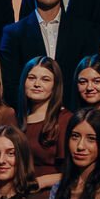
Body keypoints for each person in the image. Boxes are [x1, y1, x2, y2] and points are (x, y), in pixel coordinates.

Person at [0, 0, 93, 93]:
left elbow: (89, 76)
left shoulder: (84, 31)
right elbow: (10, 83)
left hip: (73, 111)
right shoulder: (13, 33)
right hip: (29, 111)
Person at [17, 57, 70, 188]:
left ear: (55, 86)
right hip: (18, 191)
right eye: (31, 78)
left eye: (45, 79)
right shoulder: (16, 120)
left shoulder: (65, 119)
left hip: (49, 194)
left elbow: (72, 173)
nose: (37, 84)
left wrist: (38, 183)